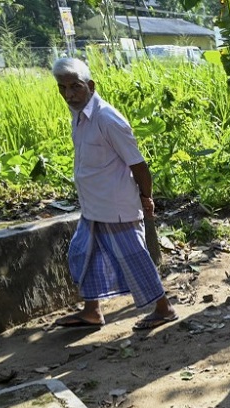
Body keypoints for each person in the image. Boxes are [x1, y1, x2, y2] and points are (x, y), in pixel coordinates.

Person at [51, 57, 178, 331]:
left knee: (134, 259)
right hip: (93, 206)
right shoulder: (80, 115)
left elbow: (138, 164)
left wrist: (146, 197)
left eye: (75, 87)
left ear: (91, 86)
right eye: (63, 88)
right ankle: (92, 311)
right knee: (84, 255)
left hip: (116, 206)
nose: (69, 95)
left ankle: (164, 309)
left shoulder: (107, 118)